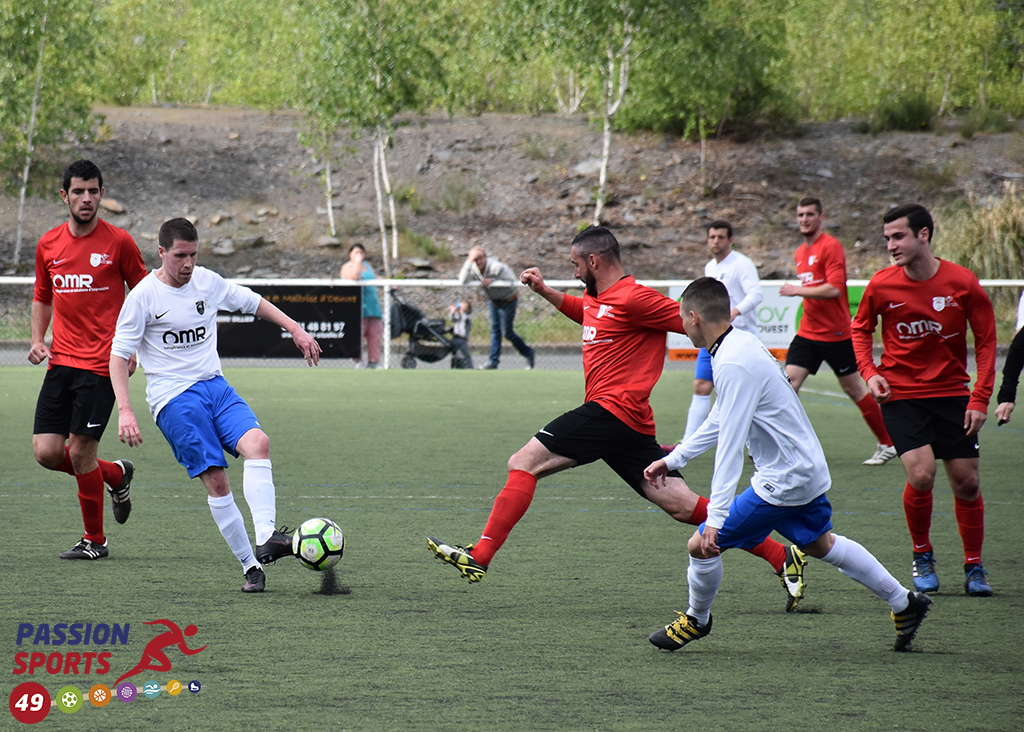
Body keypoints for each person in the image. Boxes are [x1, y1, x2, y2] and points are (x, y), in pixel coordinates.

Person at [429, 226, 807, 610]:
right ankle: (780, 555)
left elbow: (702, 322)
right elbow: (587, 313)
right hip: (630, 424)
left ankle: (481, 555)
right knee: (681, 504)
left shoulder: (635, 298)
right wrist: (545, 291)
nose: (575, 272)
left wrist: (752, 364)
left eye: (576, 264)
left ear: (594, 261)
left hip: (611, 411)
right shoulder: (599, 299)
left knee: (523, 462)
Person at [644, 277, 931, 653]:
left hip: (784, 480)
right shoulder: (739, 343)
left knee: (700, 545)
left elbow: (730, 446)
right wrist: (674, 458)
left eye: (683, 318)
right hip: (803, 468)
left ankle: (697, 619)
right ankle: (905, 603)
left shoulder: (733, 361)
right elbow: (721, 417)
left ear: (695, 317)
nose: (682, 326)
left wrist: (715, 516)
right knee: (820, 544)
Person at [109, 218, 322, 593]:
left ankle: (267, 536)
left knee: (258, 443)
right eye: (180, 256)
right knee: (218, 481)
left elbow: (253, 303)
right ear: (161, 253)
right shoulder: (142, 297)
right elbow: (118, 356)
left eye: (193, 255)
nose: (188, 263)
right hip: (174, 399)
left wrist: (296, 328)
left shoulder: (207, 281)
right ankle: (250, 566)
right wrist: (125, 410)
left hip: (215, 387)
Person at [851, 204, 997, 597]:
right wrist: (870, 372)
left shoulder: (962, 282)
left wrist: (980, 397)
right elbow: (860, 329)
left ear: (924, 235)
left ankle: (974, 566)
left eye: (898, 236)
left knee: (967, 482)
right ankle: (922, 554)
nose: (891, 245)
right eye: (887, 238)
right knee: (921, 475)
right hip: (902, 396)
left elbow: (986, 341)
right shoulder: (881, 284)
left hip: (953, 396)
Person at [30, 159, 148, 560]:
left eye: (93, 191)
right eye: (78, 191)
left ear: (101, 195)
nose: (86, 198)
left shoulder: (119, 242)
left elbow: (144, 296)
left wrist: (132, 349)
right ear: (64, 196)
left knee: (81, 452)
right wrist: (37, 339)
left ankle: (95, 540)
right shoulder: (48, 244)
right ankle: (115, 473)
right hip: (60, 363)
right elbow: (42, 296)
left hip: (101, 365)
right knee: (47, 452)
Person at [780, 197, 896, 466]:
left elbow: (833, 289)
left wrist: (796, 290)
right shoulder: (800, 252)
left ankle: (888, 443)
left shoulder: (830, 246)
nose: (804, 219)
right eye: (800, 215)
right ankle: (784, 446)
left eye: (809, 214)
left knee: (854, 389)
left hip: (836, 335)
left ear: (821, 218)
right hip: (807, 333)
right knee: (786, 386)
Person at [683, 220, 762, 441]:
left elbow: (756, 294)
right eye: (712, 237)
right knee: (701, 386)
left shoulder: (742, 264)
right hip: (712, 338)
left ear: (730, 240)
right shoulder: (710, 268)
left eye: (720, 237)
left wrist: (735, 311)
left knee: (744, 395)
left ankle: (757, 443)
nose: (715, 241)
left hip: (739, 339)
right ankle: (687, 442)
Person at [458, 246, 535, 370]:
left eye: (480, 258)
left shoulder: (495, 266)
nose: (478, 262)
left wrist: (493, 279)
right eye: (475, 259)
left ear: (485, 257)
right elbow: (462, 280)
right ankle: (493, 361)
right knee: (495, 331)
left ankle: (528, 352)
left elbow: (512, 280)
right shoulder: (474, 268)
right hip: (494, 301)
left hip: (509, 300)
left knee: (507, 333)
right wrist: (469, 260)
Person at [339, 243, 382, 368]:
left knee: (375, 336)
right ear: (350, 254)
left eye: (361, 252)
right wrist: (357, 262)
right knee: (357, 336)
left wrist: (391, 283)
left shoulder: (367, 266)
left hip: (372, 308)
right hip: (357, 309)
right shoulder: (347, 267)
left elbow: (375, 278)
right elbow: (355, 277)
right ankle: (357, 361)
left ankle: (374, 362)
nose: (359, 255)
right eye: (356, 252)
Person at [448, 300, 474, 369]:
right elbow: (453, 319)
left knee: (466, 354)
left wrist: (459, 310)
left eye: (463, 308)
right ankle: (456, 365)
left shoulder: (467, 316)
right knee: (455, 353)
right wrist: (452, 312)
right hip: (455, 337)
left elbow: (464, 318)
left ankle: (470, 366)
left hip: (462, 339)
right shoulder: (459, 316)